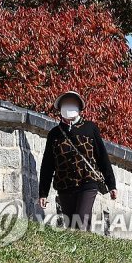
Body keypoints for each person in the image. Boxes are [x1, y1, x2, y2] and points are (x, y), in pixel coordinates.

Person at [38, 90, 118, 231]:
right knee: (71, 226)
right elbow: (48, 165)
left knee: (81, 221)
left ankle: (86, 248)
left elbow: (102, 157)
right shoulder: (55, 134)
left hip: (87, 181)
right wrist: (43, 193)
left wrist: (111, 184)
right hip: (64, 185)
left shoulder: (90, 128)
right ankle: (78, 251)